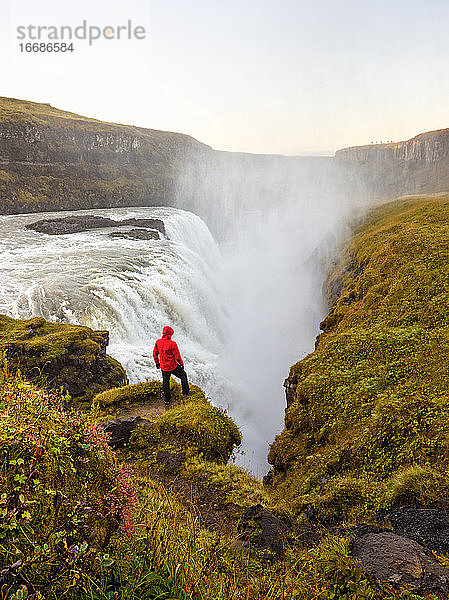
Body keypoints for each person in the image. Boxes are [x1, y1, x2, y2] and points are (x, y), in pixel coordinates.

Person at [153, 325, 193, 405]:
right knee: (183, 375)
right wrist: (181, 364)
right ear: (169, 334)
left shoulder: (158, 342)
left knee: (166, 382)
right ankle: (185, 393)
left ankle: (167, 400)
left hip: (163, 367)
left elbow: (155, 354)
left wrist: (157, 363)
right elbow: (177, 356)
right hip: (172, 366)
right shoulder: (172, 344)